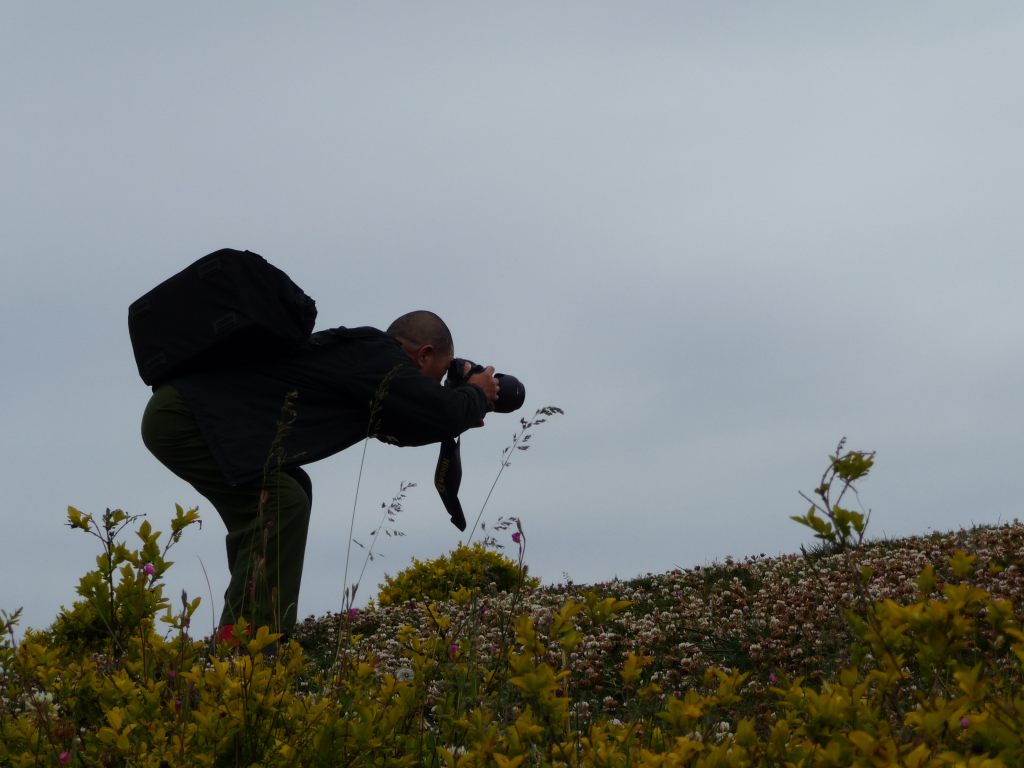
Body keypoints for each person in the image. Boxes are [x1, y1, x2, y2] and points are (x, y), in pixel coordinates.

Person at [140, 310, 499, 639]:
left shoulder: (368, 366)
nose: (440, 382)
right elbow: (438, 412)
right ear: (423, 354)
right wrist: (475, 393)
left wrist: (463, 408)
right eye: (443, 369)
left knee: (290, 488)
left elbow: (409, 426)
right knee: (282, 499)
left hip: (185, 414)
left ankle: (251, 633)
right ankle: (249, 645)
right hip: (183, 417)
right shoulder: (377, 356)